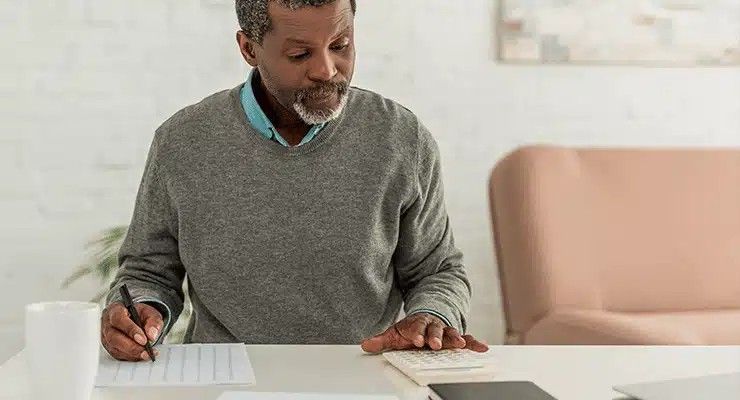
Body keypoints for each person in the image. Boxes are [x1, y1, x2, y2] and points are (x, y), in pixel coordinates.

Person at [101, 0, 488, 362]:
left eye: (341, 45)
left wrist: (431, 315)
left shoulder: (401, 139)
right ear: (249, 49)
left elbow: (437, 272)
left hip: (362, 373)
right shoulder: (183, 141)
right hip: (225, 378)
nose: (327, 69)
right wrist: (141, 311)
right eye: (300, 53)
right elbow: (148, 272)